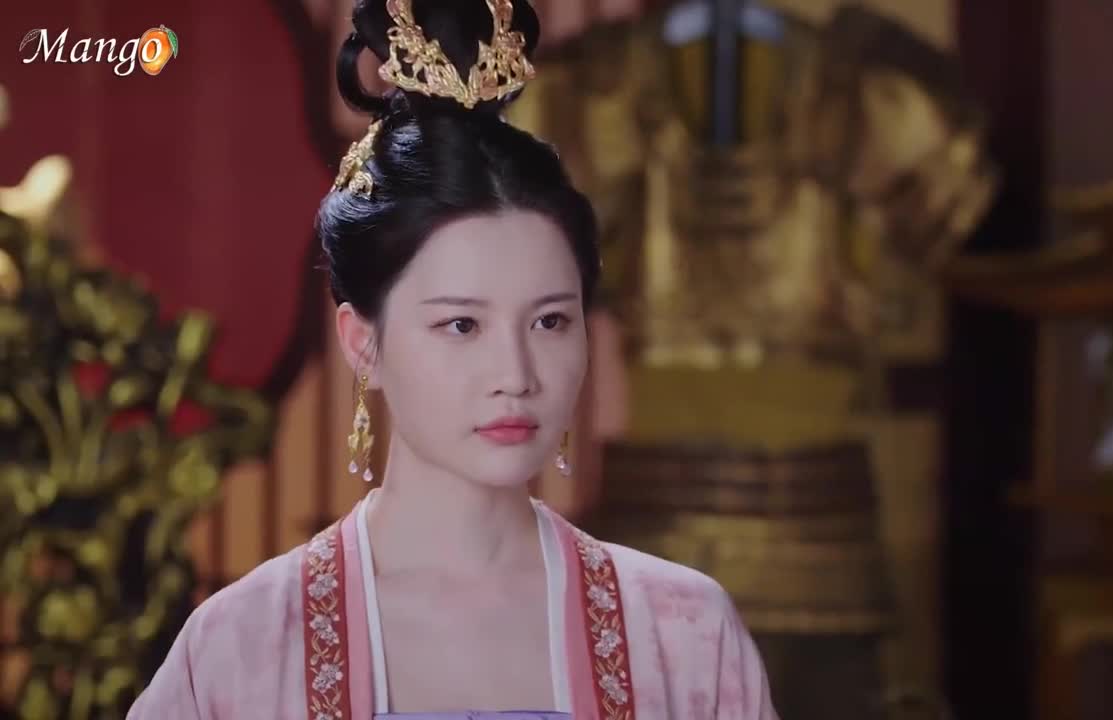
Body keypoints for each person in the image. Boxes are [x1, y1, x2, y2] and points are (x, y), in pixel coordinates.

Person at [125, 0, 777, 718]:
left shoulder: (684, 636)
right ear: (362, 342)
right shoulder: (243, 647)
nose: (517, 374)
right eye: (462, 324)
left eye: (551, 321)